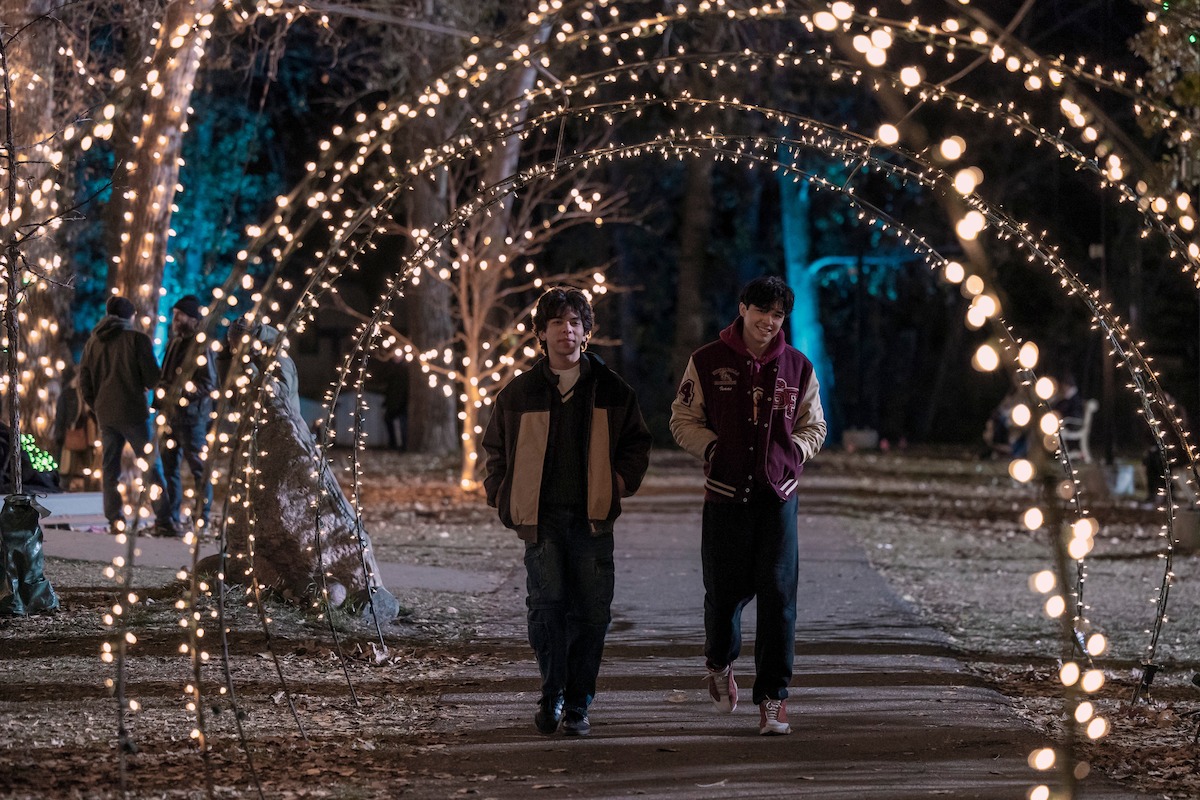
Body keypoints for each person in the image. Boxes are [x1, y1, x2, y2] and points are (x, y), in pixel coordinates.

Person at [482, 286, 652, 737]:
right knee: (546, 607)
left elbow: (637, 444)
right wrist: (503, 496)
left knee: (592, 613)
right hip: (542, 521)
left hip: (592, 518)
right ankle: (551, 693)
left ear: (586, 332)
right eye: (557, 322)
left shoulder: (613, 391)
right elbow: (495, 452)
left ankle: (579, 703)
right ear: (541, 333)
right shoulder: (518, 394)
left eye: (575, 322)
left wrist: (617, 484)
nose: (567, 330)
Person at [669, 275, 827, 736]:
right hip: (725, 498)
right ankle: (719, 664)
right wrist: (715, 451)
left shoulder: (798, 367)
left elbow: (814, 425)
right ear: (743, 309)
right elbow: (682, 418)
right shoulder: (707, 361)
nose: (769, 322)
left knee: (779, 601)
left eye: (777, 316)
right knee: (723, 597)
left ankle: (773, 699)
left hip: (777, 500)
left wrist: (793, 454)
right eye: (762, 312)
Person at [78, 295, 171, 536]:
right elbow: (152, 377)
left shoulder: (93, 343)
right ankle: (163, 518)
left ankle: (115, 520)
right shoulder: (136, 339)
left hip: (106, 414)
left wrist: (97, 404)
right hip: (134, 412)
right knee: (151, 466)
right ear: (130, 316)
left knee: (110, 469)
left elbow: (84, 382)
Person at [157, 295, 218, 536]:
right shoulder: (174, 343)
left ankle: (201, 521)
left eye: (179, 315)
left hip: (193, 419)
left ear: (192, 318)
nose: (175, 319)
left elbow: (209, 383)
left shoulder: (202, 345)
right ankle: (171, 520)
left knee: (199, 471)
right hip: (170, 417)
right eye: (174, 315)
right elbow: (165, 374)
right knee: (169, 469)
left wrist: (180, 394)